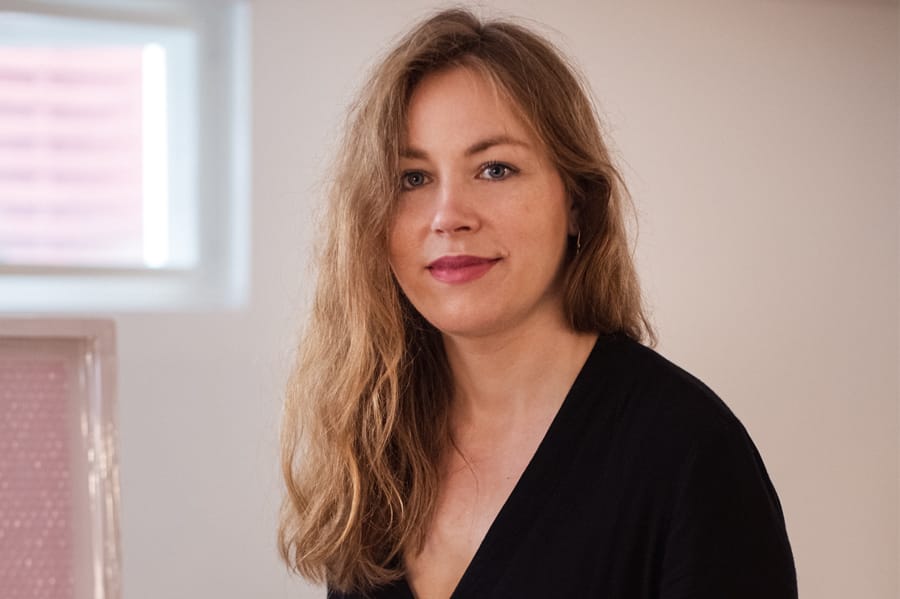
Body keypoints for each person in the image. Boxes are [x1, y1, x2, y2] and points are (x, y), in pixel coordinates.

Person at [279, 8, 797, 599]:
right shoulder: (375, 441)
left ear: (576, 202)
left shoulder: (690, 452)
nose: (448, 217)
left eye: (495, 169)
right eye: (412, 179)